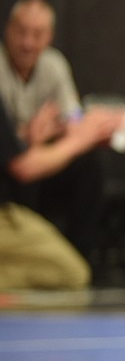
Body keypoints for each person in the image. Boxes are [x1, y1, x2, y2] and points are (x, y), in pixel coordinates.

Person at [0, 100, 118, 289]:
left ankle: (84, 251)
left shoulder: (52, 70)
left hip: (14, 205)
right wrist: (80, 139)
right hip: (6, 215)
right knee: (71, 273)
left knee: (87, 165)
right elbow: (23, 167)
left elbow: (11, 149)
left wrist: (29, 137)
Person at [0, 0, 81, 138]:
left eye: (37, 35)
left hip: (44, 152)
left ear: (49, 37)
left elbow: (74, 114)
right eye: (21, 32)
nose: (27, 43)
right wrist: (27, 133)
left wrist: (70, 125)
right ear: (8, 29)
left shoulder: (55, 64)